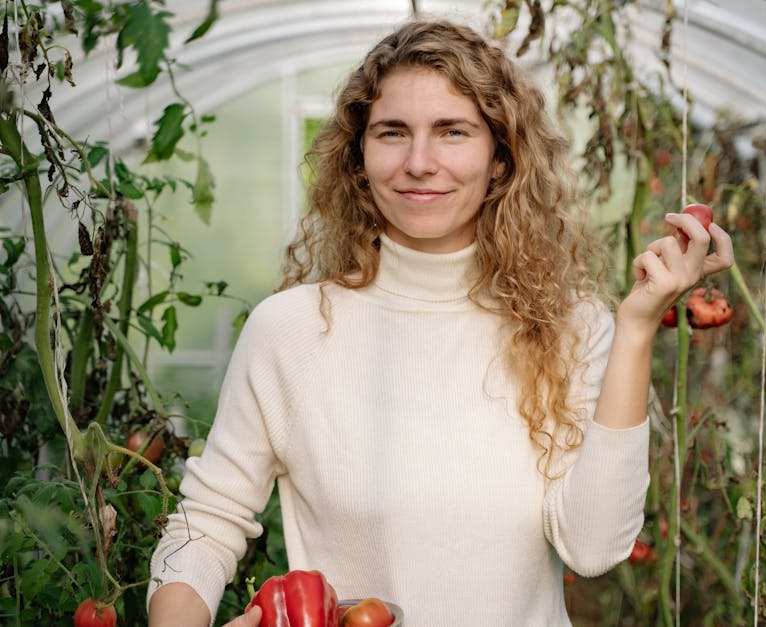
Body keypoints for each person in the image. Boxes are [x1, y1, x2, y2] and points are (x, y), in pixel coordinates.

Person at [147, 16, 733, 627]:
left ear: (501, 160)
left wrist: (637, 326)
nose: (418, 162)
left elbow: (593, 550)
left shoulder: (571, 327)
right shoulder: (290, 331)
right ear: (359, 158)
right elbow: (206, 524)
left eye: (452, 131)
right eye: (392, 132)